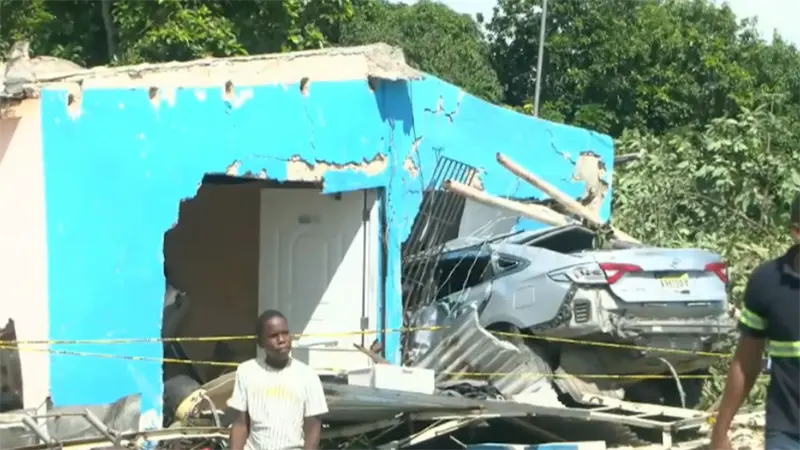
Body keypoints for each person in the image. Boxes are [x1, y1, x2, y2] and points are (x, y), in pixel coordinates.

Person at [711, 193, 800, 450]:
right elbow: (746, 362)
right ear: (796, 231)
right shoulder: (767, 283)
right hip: (787, 434)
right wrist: (720, 430)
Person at [228, 310, 329, 450]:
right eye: (273, 335)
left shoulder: (307, 375)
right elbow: (240, 424)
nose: (281, 340)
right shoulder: (246, 372)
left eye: (285, 333)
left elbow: (313, 427)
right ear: (260, 342)